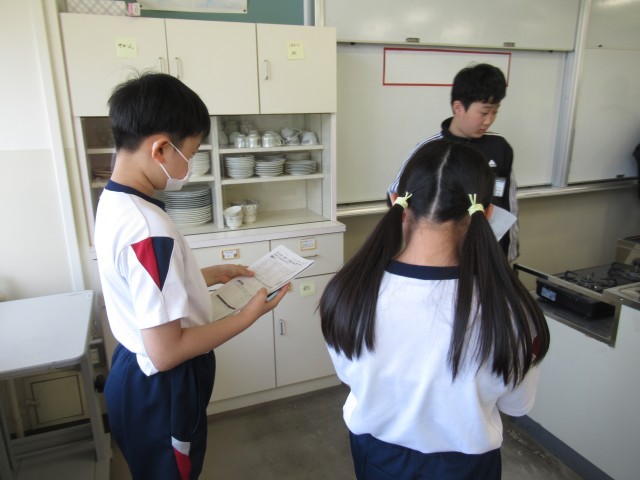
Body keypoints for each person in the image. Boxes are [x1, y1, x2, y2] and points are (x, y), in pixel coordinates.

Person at [94, 72, 288, 480]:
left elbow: (141, 287)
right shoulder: (149, 229)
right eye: (192, 152)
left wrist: (206, 275)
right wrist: (246, 317)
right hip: (162, 386)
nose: (190, 165)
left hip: (131, 369)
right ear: (161, 148)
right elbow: (167, 352)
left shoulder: (115, 202)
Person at [321, 139, 550, 480]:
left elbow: (350, 375)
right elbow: (516, 405)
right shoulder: (514, 310)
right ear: (487, 214)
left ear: (398, 202)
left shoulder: (348, 290)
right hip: (467, 466)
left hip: (377, 457)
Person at [388, 63, 519, 261]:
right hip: (444, 256)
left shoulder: (499, 147)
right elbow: (396, 197)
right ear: (459, 107)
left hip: (490, 253)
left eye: (495, 112)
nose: (489, 120)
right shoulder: (429, 149)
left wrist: (508, 254)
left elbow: (510, 202)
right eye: (484, 112)